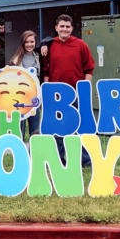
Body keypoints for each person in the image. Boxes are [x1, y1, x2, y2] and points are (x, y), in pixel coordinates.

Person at [41, 14, 95, 165]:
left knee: (79, 127)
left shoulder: (81, 45)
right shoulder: (49, 45)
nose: (64, 29)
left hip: (76, 94)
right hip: (56, 95)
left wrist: (84, 91)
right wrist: (48, 91)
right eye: (62, 26)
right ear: (56, 28)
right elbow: (45, 71)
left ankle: (84, 161)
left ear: (72, 28)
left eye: (67, 26)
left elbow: (89, 69)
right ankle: (59, 160)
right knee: (58, 129)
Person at [8, 30, 42, 139]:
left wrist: (45, 44)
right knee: (19, 129)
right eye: (26, 42)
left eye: (32, 42)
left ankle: (35, 153)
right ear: (22, 43)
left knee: (35, 128)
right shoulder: (16, 59)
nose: (29, 44)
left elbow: (50, 41)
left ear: (35, 42)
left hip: (34, 98)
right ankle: (20, 151)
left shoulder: (39, 56)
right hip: (20, 98)